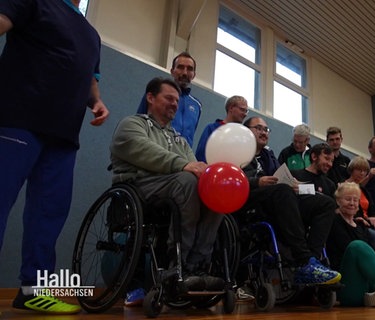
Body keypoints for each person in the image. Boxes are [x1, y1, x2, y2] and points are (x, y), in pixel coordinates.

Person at [0, 0, 109, 314]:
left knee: (48, 215)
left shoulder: (91, 33)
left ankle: (33, 290)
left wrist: (97, 103)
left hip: (63, 135)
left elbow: (90, 77)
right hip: (18, 119)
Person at [110, 77, 225, 306]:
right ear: (151, 98)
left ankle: (198, 267)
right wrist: (182, 165)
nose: (175, 104)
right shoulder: (132, 124)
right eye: (169, 98)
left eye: (177, 100)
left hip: (173, 187)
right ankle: (178, 266)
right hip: (140, 185)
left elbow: (195, 168)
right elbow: (144, 150)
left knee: (215, 192)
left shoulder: (179, 140)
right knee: (186, 180)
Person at [238, 116, 341, 284]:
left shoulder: (269, 156)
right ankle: (304, 259)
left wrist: (293, 184)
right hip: (252, 199)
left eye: (266, 129)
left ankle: (312, 263)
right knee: (283, 191)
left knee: (326, 203)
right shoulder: (237, 152)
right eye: (259, 128)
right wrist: (258, 181)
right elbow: (234, 181)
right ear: (246, 131)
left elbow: (279, 178)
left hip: (278, 200)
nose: (264, 132)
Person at [137, 52, 202, 147]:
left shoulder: (197, 105)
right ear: (172, 71)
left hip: (183, 158)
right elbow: (140, 123)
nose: (184, 73)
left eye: (189, 69)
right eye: (180, 67)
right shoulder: (156, 94)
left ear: (194, 75)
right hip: (157, 152)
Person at [194, 95, 249, 162]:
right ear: (231, 108)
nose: (245, 114)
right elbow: (201, 155)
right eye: (242, 110)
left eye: (246, 111)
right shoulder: (212, 129)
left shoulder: (242, 135)